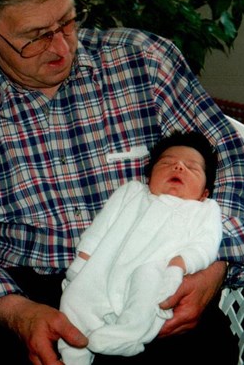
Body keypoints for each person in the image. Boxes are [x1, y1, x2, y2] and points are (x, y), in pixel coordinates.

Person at [0, 0, 244, 364]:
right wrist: (17, 313)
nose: (61, 47)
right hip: (26, 296)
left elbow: (228, 160)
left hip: (154, 282)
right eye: (35, 36)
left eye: (68, 21)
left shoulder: (144, 62)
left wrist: (211, 269)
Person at [58, 131, 222, 364]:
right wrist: (83, 260)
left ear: (204, 192)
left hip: (155, 270)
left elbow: (207, 245)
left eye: (192, 168)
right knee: (75, 299)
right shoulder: (131, 193)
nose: (178, 168)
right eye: (166, 163)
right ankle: (74, 354)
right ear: (149, 177)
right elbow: (101, 227)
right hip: (105, 267)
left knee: (148, 297)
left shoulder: (205, 210)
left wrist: (180, 264)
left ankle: (125, 335)